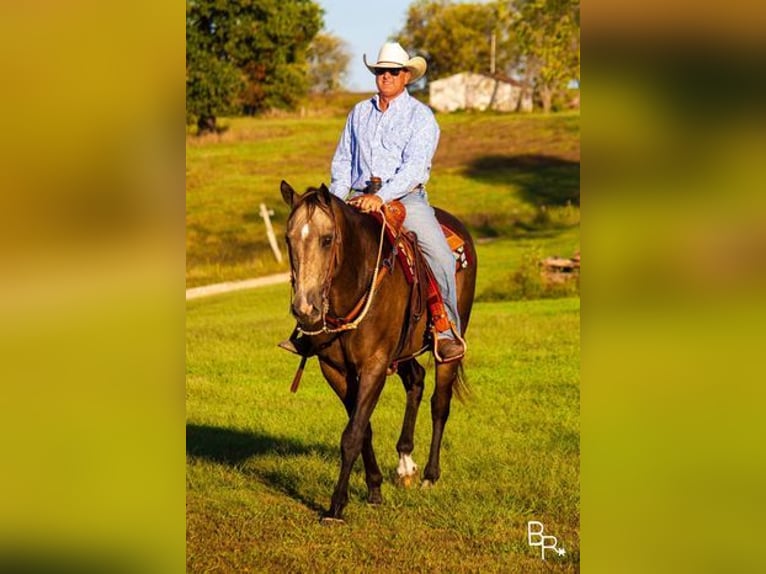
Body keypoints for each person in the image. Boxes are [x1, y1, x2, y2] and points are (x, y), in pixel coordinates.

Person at [279, 42, 464, 362]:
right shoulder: (359, 113)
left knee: (441, 256)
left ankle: (444, 330)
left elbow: (415, 168)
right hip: (357, 199)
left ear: (407, 76)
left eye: (394, 71)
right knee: (318, 249)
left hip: (406, 200)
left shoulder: (421, 117)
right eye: (381, 71)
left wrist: (380, 197)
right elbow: (343, 161)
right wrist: (335, 203)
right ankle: (309, 327)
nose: (387, 76)